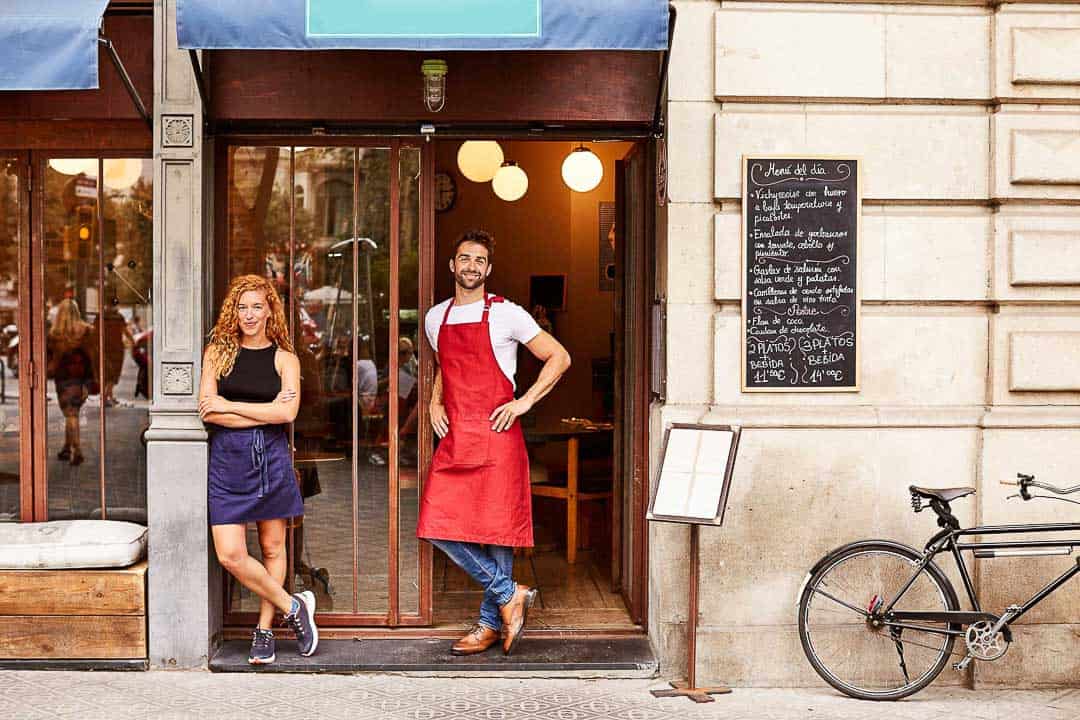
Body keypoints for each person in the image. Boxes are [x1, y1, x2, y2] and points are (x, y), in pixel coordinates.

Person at [417, 229, 571, 656]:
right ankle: (508, 593)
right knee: (436, 524)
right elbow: (445, 366)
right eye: (465, 259)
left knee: (498, 532)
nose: (471, 266)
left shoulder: (508, 314)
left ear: (489, 269)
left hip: (498, 434)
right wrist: (434, 401)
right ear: (453, 265)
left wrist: (524, 402)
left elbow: (559, 357)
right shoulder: (435, 318)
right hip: (457, 436)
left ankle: (489, 624)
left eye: (479, 261)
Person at [198, 274, 318, 665]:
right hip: (227, 460)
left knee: (272, 548)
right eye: (242, 307)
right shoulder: (217, 352)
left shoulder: (285, 359)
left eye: (256, 307)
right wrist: (263, 411)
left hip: (271, 458)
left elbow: (287, 413)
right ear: (233, 312)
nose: (249, 314)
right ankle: (293, 606)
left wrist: (231, 405)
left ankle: (264, 630)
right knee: (230, 554)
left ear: (270, 311)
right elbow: (208, 410)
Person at [47, 299, 96, 466]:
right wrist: (91, 380)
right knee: (72, 413)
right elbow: (92, 356)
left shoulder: (54, 334)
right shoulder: (87, 331)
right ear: (77, 311)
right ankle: (67, 447)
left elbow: (49, 358)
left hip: (63, 378)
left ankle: (77, 450)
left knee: (70, 413)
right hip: (82, 377)